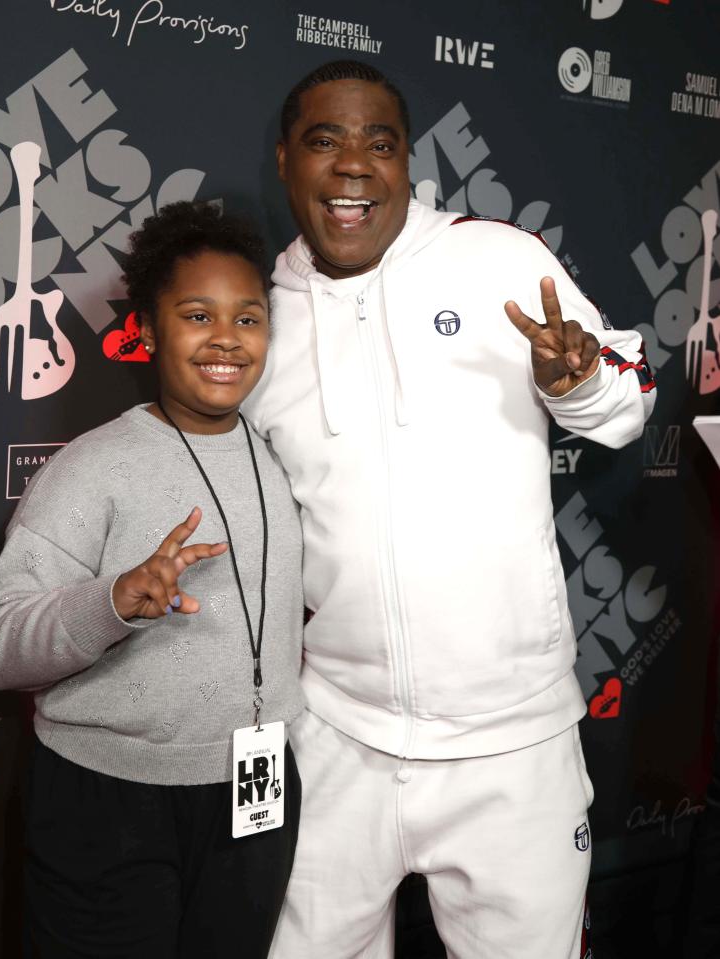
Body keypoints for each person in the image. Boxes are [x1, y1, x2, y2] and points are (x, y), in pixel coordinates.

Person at [242, 60, 656, 959]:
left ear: (407, 162)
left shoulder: (495, 260)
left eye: (378, 143)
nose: (354, 166)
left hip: (511, 744)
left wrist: (579, 383)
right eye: (325, 140)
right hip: (337, 733)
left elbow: (626, 403)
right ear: (284, 162)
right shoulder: (260, 325)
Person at [0, 202, 304, 959]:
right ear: (148, 330)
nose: (225, 338)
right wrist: (112, 602)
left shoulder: (285, 461)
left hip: (254, 793)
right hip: (108, 800)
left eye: (247, 318)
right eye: (195, 314)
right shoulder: (94, 466)